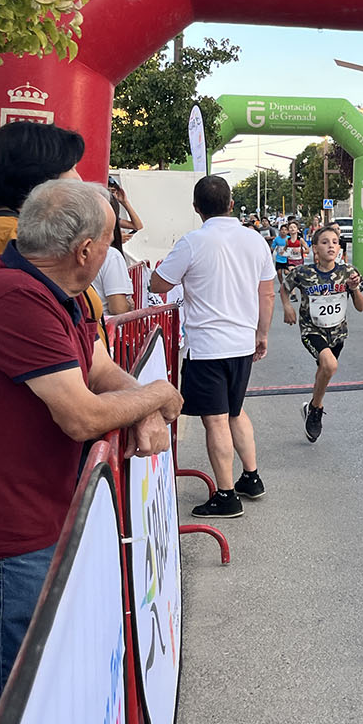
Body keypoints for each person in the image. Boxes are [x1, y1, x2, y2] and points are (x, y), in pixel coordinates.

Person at [0, 180, 181, 724]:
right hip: (3, 548)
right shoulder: (14, 298)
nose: (115, 247)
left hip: (30, 530)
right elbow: (82, 414)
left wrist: (141, 405)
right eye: (112, 238)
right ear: (87, 250)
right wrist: (158, 394)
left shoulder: (50, 293)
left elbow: (97, 367)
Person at [150, 176, 275, 517]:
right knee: (235, 411)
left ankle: (226, 496)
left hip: (207, 346)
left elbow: (158, 283)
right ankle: (251, 477)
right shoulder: (255, 240)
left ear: (196, 208)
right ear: (231, 204)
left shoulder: (192, 242)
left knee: (215, 420)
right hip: (242, 343)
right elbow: (266, 293)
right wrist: (262, 333)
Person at [0, 122, 86, 287]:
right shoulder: (10, 238)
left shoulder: (8, 229)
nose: (79, 179)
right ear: (39, 175)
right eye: (72, 169)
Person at [280, 224, 363, 442]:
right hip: (312, 330)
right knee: (329, 365)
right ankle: (316, 409)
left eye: (335, 242)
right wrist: (287, 307)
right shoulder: (303, 273)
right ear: (315, 248)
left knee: (325, 370)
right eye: (325, 242)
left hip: (337, 333)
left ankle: (312, 406)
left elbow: (361, 307)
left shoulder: (348, 272)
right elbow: (284, 288)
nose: (331, 246)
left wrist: (354, 288)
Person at [91, 196, 136, 316]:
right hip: (103, 324)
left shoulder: (65, 251)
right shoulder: (110, 255)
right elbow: (118, 308)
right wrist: (128, 305)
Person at [105, 174, 144, 240]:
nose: (111, 195)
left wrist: (125, 202)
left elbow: (137, 226)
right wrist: (115, 239)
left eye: (113, 191)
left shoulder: (112, 215)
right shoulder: (96, 213)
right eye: (108, 191)